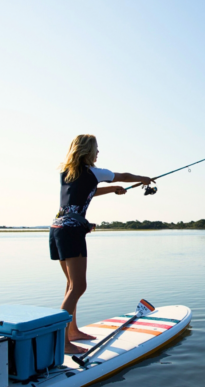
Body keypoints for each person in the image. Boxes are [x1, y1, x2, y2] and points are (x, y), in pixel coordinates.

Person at [49, 134, 154, 354]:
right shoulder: (95, 172)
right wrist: (143, 178)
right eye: (96, 149)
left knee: (70, 286)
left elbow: (86, 193)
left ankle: (72, 332)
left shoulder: (67, 172)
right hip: (71, 231)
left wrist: (113, 189)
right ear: (88, 151)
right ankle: (62, 341)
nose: (98, 153)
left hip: (57, 229)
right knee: (78, 286)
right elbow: (123, 175)